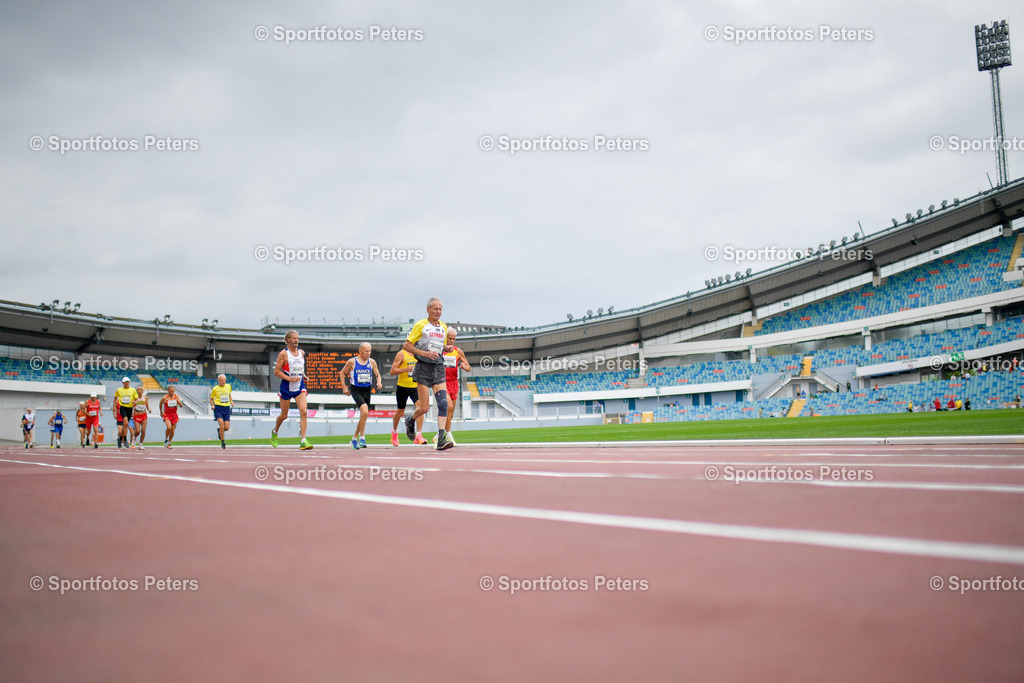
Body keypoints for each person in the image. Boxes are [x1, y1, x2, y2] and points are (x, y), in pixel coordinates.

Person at [404, 297, 455, 451]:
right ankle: (410, 420)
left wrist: (446, 348)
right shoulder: (421, 325)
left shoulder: (444, 327)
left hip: (438, 367)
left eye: (440, 309)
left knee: (443, 403)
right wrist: (424, 354)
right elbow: (407, 346)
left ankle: (441, 439)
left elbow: (438, 346)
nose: (438, 312)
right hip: (423, 368)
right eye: (435, 309)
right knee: (424, 408)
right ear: (428, 310)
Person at [270, 330, 313, 450]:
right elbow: (277, 371)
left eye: (298, 338)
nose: (296, 341)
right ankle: (275, 432)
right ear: (288, 339)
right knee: (284, 415)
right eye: (294, 338)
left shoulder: (301, 353)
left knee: (304, 411)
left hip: (299, 386)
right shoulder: (283, 354)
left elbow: (299, 367)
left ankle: (303, 440)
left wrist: (303, 375)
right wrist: (289, 378)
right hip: (286, 387)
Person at [341, 342, 383, 449]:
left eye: (369, 351)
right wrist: (344, 387)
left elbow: (378, 375)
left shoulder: (372, 362)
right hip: (356, 389)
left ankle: (354, 439)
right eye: (366, 351)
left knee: (364, 415)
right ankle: (362, 438)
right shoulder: (352, 362)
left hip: (367, 389)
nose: (368, 353)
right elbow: (342, 373)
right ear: (360, 351)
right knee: (364, 411)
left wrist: (379, 382)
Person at [436, 327, 471, 446]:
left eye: (453, 339)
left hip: (454, 383)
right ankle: (449, 435)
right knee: (448, 406)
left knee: (451, 412)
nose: (451, 341)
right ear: (445, 338)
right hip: (442, 382)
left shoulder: (458, 351)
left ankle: (439, 435)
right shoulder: (440, 350)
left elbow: (468, 366)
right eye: (449, 338)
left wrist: (465, 367)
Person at [390, 347, 427, 446]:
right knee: (400, 411)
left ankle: (418, 435)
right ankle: (394, 432)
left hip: (415, 386)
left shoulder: (419, 353)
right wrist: (406, 369)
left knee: (421, 408)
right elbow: (392, 371)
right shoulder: (401, 354)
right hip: (402, 386)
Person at [113, 377, 138, 450]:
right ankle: (126, 440)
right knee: (126, 423)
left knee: (125, 426)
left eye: (128, 382)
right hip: (123, 407)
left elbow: (136, 398)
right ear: (123, 383)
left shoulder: (132, 390)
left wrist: (135, 402)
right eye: (125, 382)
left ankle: (120, 438)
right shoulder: (119, 390)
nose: (127, 383)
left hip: (129, 408)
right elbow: (115, 398)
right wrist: (115, 406)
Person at [210, 374, 233, 449]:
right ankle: (223, 442)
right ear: (218, 381)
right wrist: (213, 405)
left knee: (226, 427)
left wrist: (231, 401)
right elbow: (211, 399)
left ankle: (219, 430)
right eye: (222, 380)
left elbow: (229, 394)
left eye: (224, 380)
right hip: (218, 408)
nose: (223, 381)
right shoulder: (215, 389)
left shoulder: (228, 386)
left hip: (226, 408)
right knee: (222, 425)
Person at [132, 385, 151, 449]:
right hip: (136, 415)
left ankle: (141, 444)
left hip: (143, 415)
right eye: (138, 390)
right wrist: (134, 403)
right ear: (136, 391)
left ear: (143, 391)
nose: (139, 391)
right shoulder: (134, 398)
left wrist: (149, 409)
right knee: (137, 431)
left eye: (140, 390)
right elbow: (131, 405)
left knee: (143, 430)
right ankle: (134, 438)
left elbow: (147, 405)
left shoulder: (145, 397)